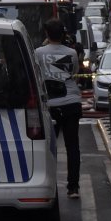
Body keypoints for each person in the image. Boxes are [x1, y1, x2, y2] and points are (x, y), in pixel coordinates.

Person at [35, 19, 82, 200]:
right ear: (63, 34)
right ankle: (73, 187)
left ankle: (49, 185)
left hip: (50, 105)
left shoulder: (38, 52)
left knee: (48, 148)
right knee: (73, 147)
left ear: (47, 34)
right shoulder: (71, 53)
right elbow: (75, 73)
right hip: (71, 102)